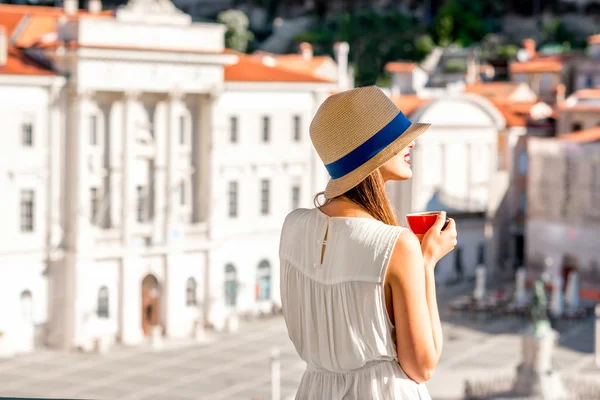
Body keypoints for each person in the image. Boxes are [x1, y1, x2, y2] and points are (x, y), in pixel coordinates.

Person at [279, 86, 458, 399]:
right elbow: (422, 366)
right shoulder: (396, 244)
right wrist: (425, 262)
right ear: (374, 154)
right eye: (400, 139)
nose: (412, 143)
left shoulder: (293, 227)